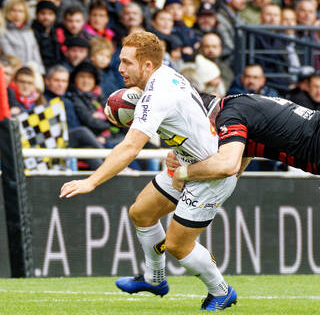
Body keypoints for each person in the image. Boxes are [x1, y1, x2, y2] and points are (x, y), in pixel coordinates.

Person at [59, 31, 238, 311]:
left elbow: (130, 148)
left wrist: (91, 182)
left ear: (147, 66)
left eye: (127, 62)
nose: (120, 68)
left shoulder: (157, 93)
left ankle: (222, 291)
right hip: (184, 162)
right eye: (120, 61)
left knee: (179, 246)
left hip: (209, 173)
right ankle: (155, 280)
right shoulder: (166, 75)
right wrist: (177, 148)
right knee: (141, 212)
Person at [170, 92, 320, 192]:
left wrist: (182, 172)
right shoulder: (236, 105)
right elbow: (233, 171)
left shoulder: (228, 116)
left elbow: (227, 165)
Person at [44, 64, 104, 170]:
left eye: (64, 81)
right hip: (51, 142)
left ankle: (112, 175)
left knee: (88, 150)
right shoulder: (43, 99)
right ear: (47, 81)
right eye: (56, 81)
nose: (60, 85)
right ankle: (113, 160)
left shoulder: (67, 100)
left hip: (70, 141)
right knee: (82, 132)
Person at [0, 0, 45, 74]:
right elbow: (10, 55)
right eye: (13, 10)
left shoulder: (29, 32)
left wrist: (40, 71)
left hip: (31, 70)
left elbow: (36, 54)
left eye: (20, 11)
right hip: (14, 70)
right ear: (7, 12)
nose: (17, 14)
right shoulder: (3, 32)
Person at [31, 0, 62, 70]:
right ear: (36, 15)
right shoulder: (31, 31)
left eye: (50, 14)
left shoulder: (56, 31)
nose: (46, 17)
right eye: (43, 13)